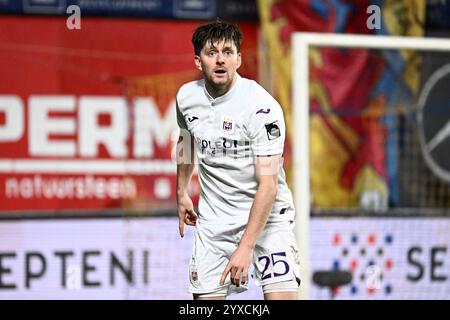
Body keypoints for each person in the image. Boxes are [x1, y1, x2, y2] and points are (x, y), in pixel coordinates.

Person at [176, 20, 300, 300]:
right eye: (211, 53)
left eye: (228, 52)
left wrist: (245, 247)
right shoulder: (186, 98)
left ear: (239, 59)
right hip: (215, 225)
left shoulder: (261, 109)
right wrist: (181, 191)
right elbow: (185, 140)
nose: (220, 60)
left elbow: (268, 185)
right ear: (198, 61)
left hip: (268, 221)